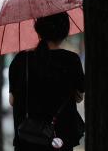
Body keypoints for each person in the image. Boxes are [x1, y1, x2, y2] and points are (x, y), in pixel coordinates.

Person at [9, 12, 85, 151]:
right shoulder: (71, 60)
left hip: (27, 139)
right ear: (65, 31)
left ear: (38, 29)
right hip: (60, 139)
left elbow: (13, 101)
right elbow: (79, 97)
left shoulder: (21, 60)